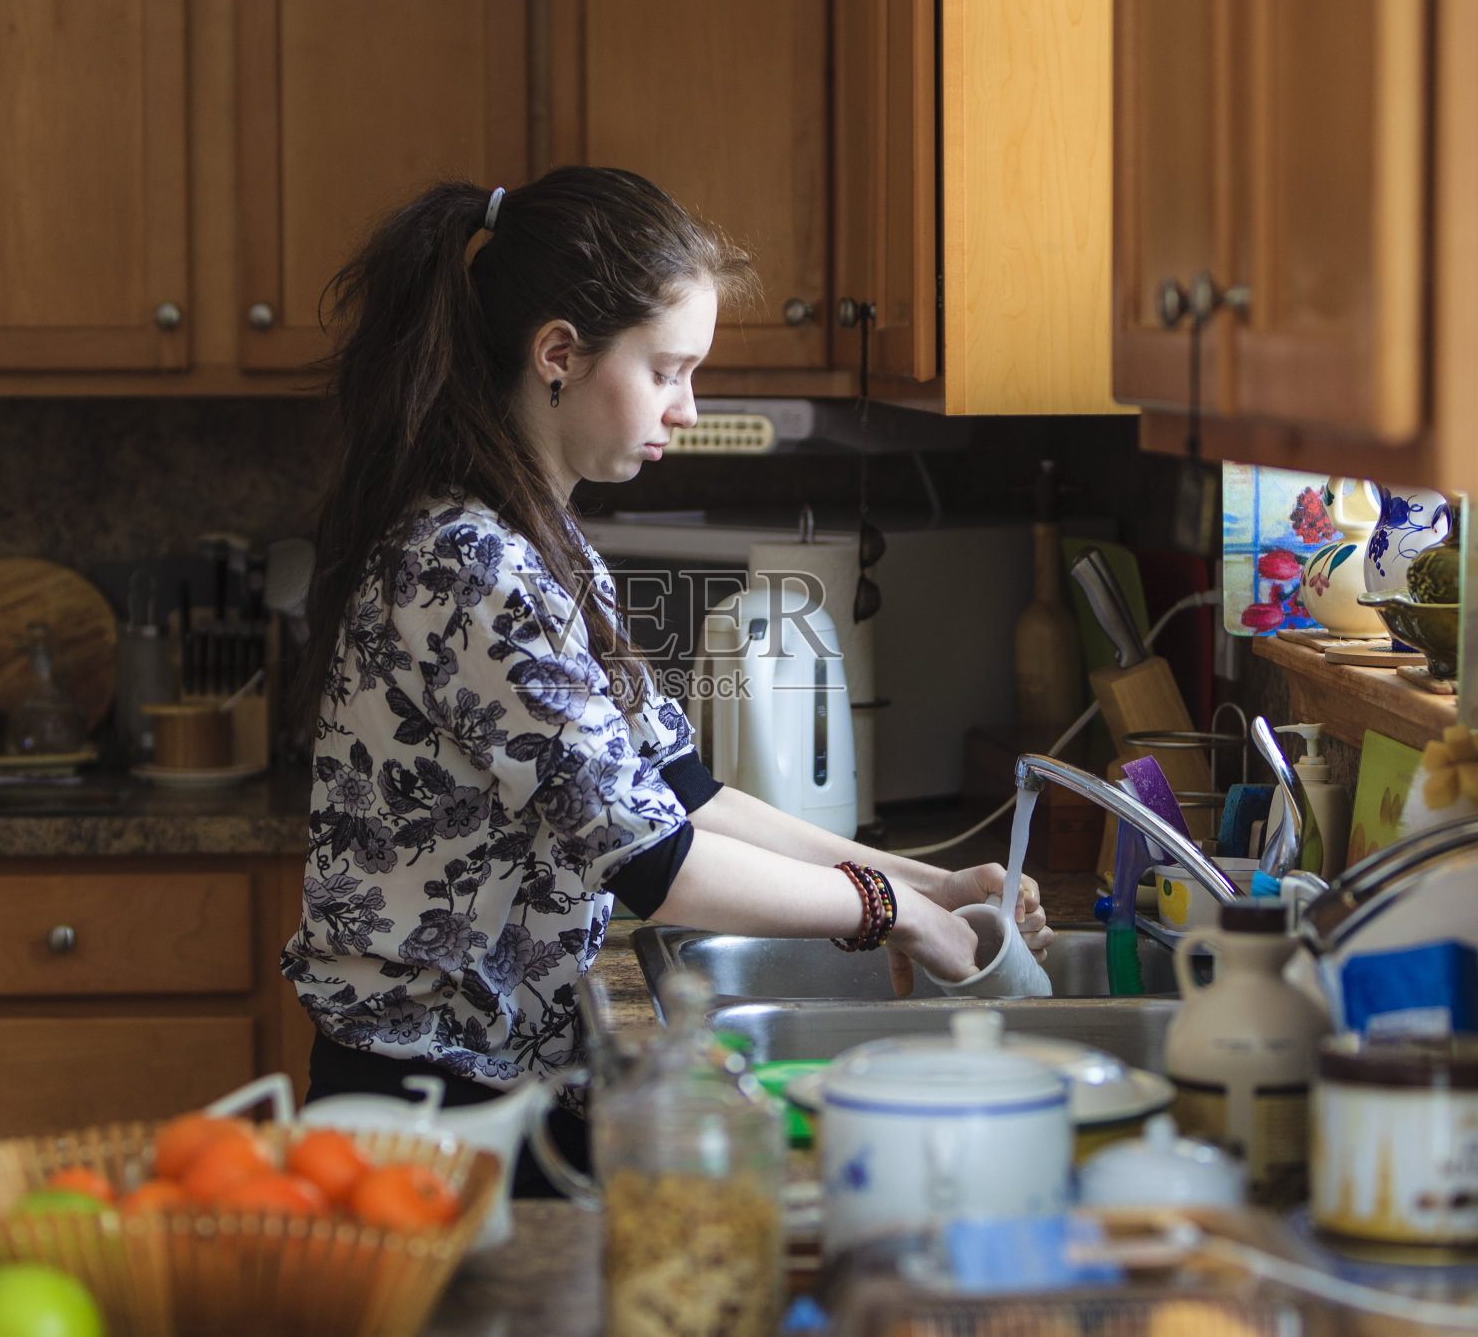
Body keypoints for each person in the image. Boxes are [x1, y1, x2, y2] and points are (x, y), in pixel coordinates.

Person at [282, 167, 1054, 1195]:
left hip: (493, 1082)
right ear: (559, 355)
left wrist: (924, 882)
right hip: (431, 1107)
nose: (688, 410)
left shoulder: (543, 546)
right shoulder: (475, 567)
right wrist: (891, 912)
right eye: (667, 371)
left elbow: (684, 795)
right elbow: (658, 866)